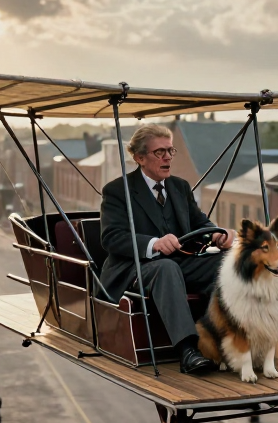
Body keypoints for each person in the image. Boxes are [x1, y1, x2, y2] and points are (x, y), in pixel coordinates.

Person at [99, 124, 235, 374]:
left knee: (228, 262)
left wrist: (217, 232)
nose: (168, 158)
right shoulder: (118, 191)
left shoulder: (180, 187)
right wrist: (152, 244)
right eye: (160, 152)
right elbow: (111, 237)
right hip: (134, 268)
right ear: (140, 158)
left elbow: (200, 221)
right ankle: (188, 351)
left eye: (171, 151)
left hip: (179, 263)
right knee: (166, 267)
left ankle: (234, 338)